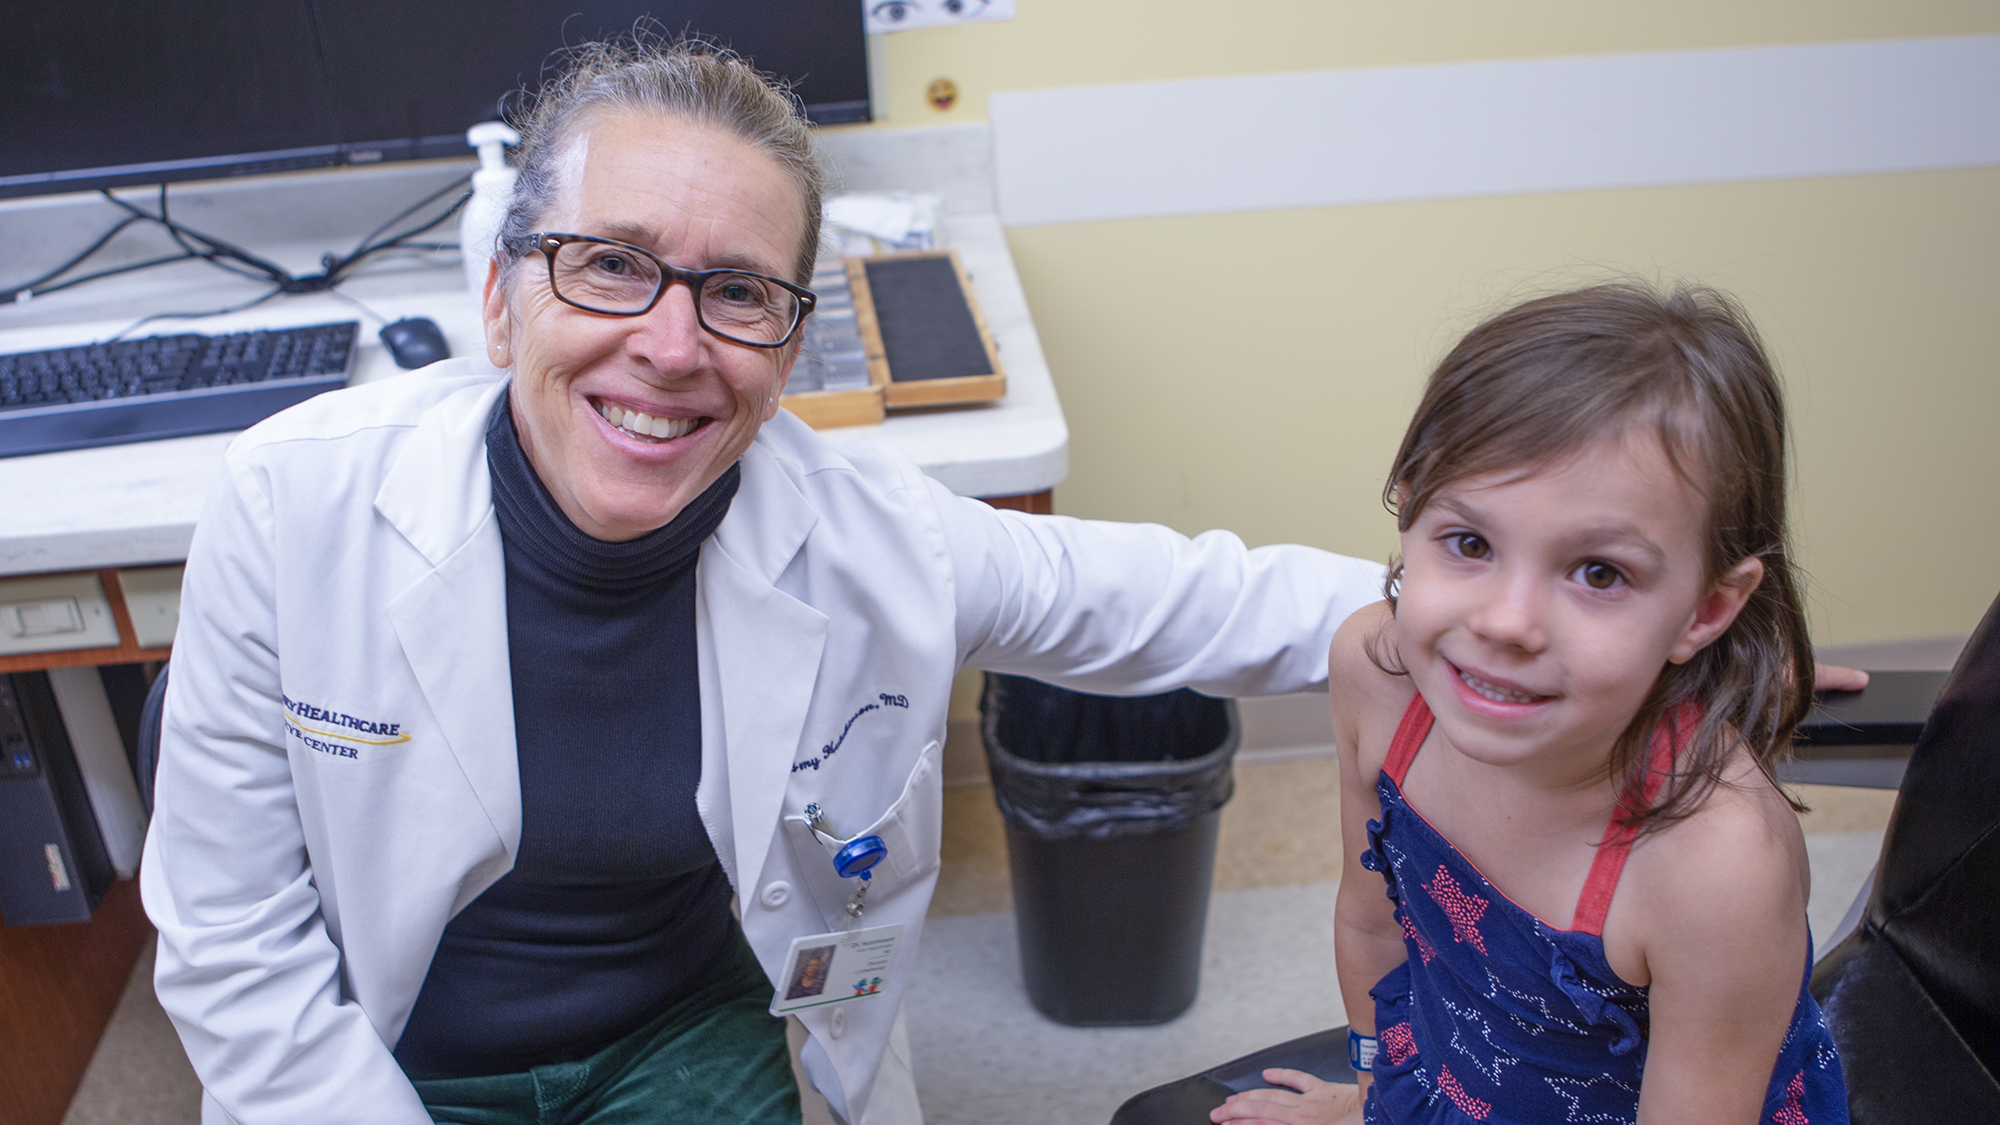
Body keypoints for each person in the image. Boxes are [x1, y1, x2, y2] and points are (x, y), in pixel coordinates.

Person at [138, 37, 1387, 1125]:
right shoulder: (295, 503)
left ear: (789, 347)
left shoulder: (874, 541)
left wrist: (1497, 613)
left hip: (681, 1029)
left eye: (736, 293)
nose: (672, 348)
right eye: (612, 265)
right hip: (379, 1051)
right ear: (503, 301)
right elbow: (234, 943)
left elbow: (1188, 600)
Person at [1213, 283, 1849, 1125]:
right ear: (1407, 508)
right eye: (1470, 542)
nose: (1507, 623)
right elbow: (1372, 928)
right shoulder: (1379, 676)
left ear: (1704, 609)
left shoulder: (1713, 865)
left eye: (1599, 572)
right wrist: (1375, 1100)